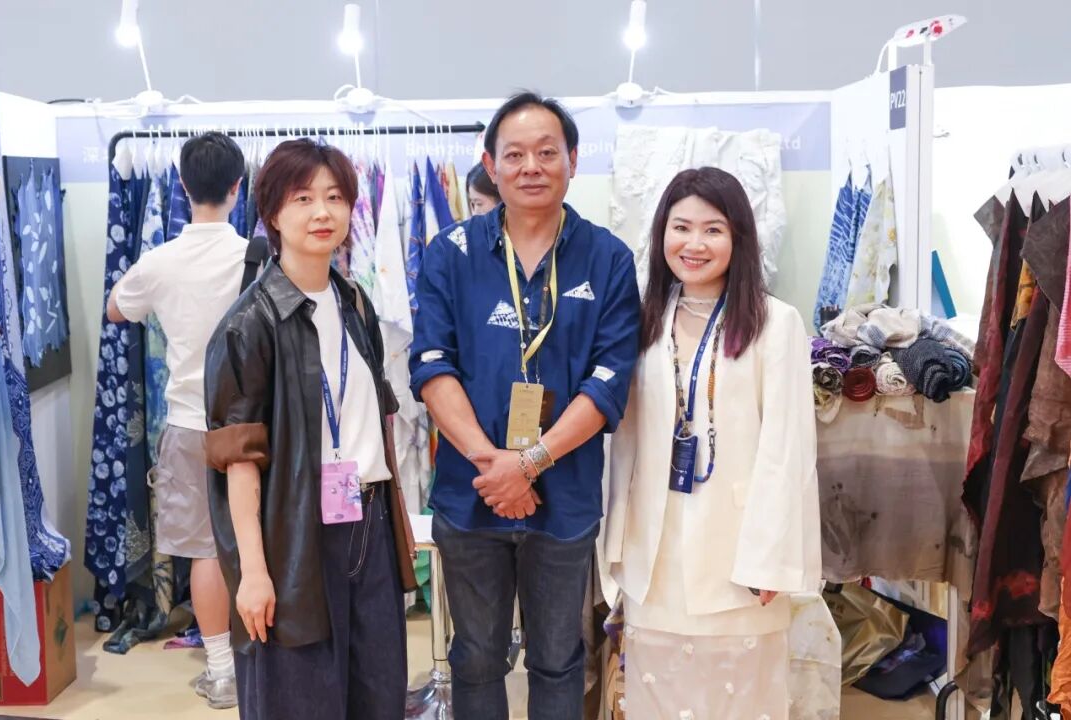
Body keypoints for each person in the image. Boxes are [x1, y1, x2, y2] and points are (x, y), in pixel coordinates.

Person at [410, 92, 641, 720]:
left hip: (564, 499)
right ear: (491, 164)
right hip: (472, 493)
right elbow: (431, 367)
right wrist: (496, 466)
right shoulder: (451, 252)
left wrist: (530, 463)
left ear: (573, 161)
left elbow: (607, 383)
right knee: (476, 657)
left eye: (547, 152)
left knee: (559, 659)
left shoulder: (608, 259)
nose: (531, 166)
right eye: (514, 155)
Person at [204, 139, 414, 720]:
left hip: (367, 521)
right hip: (292, 533)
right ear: (273, 213)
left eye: (335, 197)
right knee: (299, 698)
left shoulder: (354, 303)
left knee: (378, 695)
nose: (323, 212)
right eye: (303, 198)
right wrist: (251, 572)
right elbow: (238, 459)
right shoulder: (249, 324)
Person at [604, 167, 822, 719]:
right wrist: (614, 548)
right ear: (661, 234)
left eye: (712, 230)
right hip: (654, 556)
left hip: (739, 558)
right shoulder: (642, 321)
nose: (694, 244)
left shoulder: (776, 323)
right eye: (681, 228)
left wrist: (771, 560)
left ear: (738, 238)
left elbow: (787, 449)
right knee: (657, 700)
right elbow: (623, 444)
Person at [106, 131, 248, 709]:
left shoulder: (159, 261)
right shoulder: (260, 258)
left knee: (207, 551)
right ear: (238, 186)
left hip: (191, 422)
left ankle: (222, 673)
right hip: (256, 426)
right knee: (263, 543)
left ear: (183, 186)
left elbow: (117, 308)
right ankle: (265, 665)